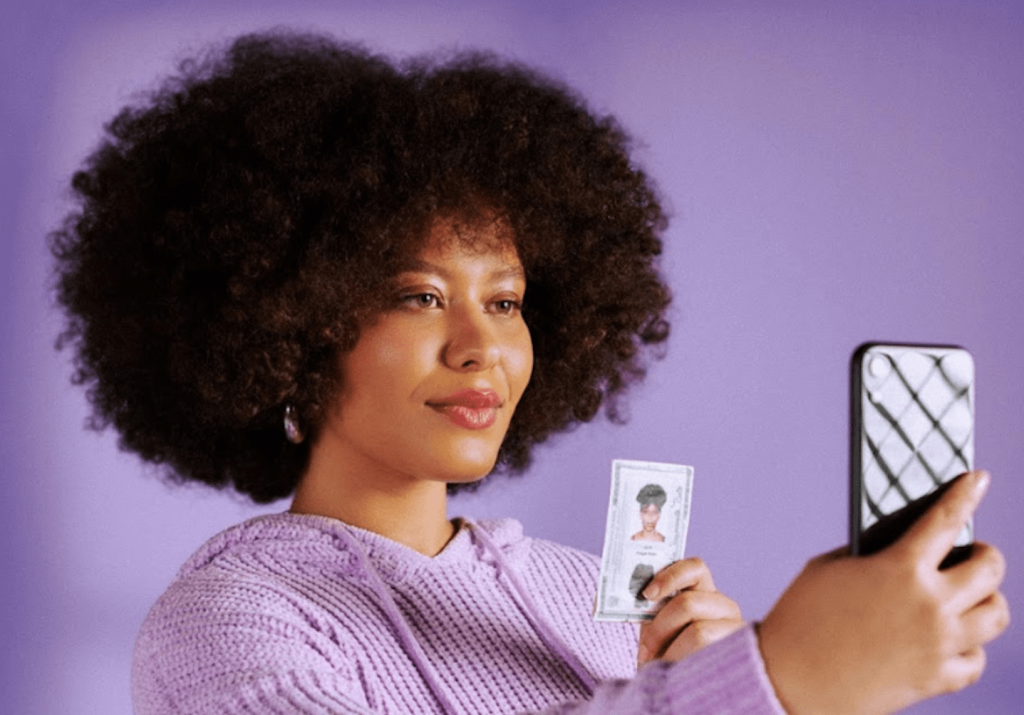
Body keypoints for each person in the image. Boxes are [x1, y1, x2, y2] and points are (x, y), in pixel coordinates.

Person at [50, 30, 1008, 715]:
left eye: (505, 300)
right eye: (419, 295)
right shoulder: (226, 626)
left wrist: (717, 680)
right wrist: (780, 681)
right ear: (288, 324)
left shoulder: (592, 593)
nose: (483, 346)